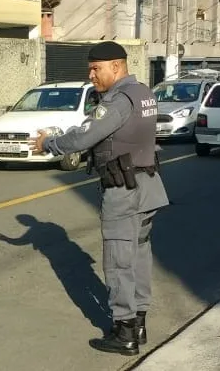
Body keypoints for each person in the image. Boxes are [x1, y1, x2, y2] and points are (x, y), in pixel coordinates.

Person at [30, 41, 169, 356]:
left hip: (124, 192)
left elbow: (84, 136)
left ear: (116, 67)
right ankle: (140, 322)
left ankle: (125, 333)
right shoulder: (144, 93)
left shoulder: (118, 101)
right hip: (148, 188)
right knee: (139, 258)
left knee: (119, 263)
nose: (91, 75)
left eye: (96, 68)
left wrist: (49, 143)